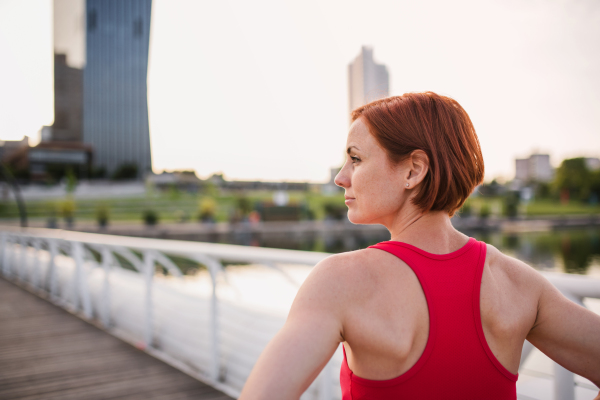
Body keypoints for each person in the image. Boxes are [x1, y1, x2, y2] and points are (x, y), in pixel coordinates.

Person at [239, 92, 600, 399]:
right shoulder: (520, 283)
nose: (340, 177)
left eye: (356, 158)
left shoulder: (339, 282)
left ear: (413, 170)